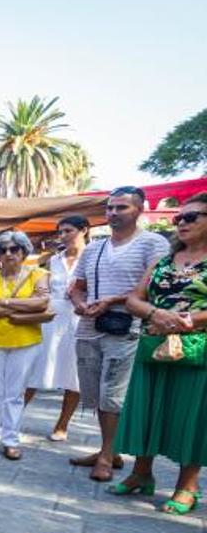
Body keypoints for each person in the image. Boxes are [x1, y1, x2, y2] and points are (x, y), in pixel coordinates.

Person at [111, 193, 207, 513]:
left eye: (192, 217)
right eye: (180, 217)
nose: (182, 222)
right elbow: (134, 300)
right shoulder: (162, 261)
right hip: (153, 344)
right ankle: (141, 473)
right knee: (147, 408)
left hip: (196, 350)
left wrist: (187, 319)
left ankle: (187, 486)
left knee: (191, 414)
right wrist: (155, 314)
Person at [68, 187, 169, 482]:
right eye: (110, 208)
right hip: (90, 327)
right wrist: (80, 304)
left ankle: (106, 455)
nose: (113, 213)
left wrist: (111, 300)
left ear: (140, 209)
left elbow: (153, 287)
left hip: (127, 327)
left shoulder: (153, 243)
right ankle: (108, 450)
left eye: (122, 207)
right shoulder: (94, 247)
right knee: (96, 393)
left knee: (113, 393)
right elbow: (77, 285)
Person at [0, 230, 51, 459]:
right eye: (2, 250)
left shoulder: (39, 274)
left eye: (14, 249)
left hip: (26, 342)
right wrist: (26, 303)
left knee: (15, 394)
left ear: (24, 251)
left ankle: (10, 440)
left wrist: (4, 302)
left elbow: (42, 303)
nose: (8, 253)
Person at [24, 215, 89, 440]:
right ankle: (10, 419)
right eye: (60, 232)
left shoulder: (92, 257)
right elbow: (44, 290)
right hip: (51, 318)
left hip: (80, 318)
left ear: (84, 231)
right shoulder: (53, 260)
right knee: (35, 369)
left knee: (74, 374)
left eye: (68, 231)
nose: (63, 236)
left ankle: (62, 425)